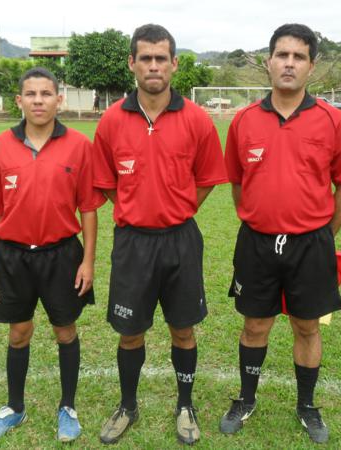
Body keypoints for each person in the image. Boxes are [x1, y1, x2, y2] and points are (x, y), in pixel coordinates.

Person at [220, 24, 341, 444]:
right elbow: (238, 184)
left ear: (311, 67)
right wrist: (260, 218)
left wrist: (322, 235)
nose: (289, 63)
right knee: (254, 326)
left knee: (307, 327)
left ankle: (307, 405)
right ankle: (246, 399)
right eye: (282, 55)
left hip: (311, 245)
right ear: (268, 62)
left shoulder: (333, 121)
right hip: (257, 243)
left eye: (299, 57)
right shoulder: (244, 121)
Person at [92, 23, 228, 445]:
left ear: (174, 64)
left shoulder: (197, 119)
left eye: (161, 58)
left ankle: (185, 405)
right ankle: (127, 405)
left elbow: (207, 179)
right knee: (129, 331)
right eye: (146, 58)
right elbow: (107, 182)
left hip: (180, 240)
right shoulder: (111, 121)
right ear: (132, 63)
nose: (154, 66)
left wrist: (178, 208)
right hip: (132, 243)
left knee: (183, 329)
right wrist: (136, 209)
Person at [0, 67, 105, 443]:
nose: (38, 101)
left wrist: (88, 261)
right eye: (30, 94)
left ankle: (68, 407)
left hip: (62, 255)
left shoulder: (79, 145)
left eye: (46, 94)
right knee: (18, 332)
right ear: (19, 100)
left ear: (58, 100)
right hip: (13, 257)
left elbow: (89, 209)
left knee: (65, 330)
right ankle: (14, 407)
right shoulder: (0, 146)